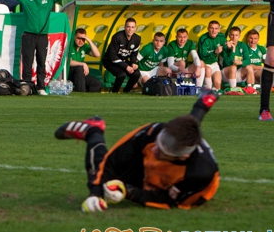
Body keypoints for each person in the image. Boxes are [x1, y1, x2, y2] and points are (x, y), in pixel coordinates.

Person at [54, 90, 220, 212]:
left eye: (162, 151)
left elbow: (169, 201)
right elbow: (111, 160)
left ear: (182, 156)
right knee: (105, 178)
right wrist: (95, 193)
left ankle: (203, 103)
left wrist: (130, 192)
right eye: (158, 142)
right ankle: (93, 132)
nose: (155, 149)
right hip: (153, 161)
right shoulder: (153, 132)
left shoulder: (199, 173)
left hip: (180, 185)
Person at [4, 0, 72, 94]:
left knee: (42, 61)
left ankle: (41, 87)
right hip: (28, 35)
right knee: (27, 61)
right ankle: (26, 87)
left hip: (42, 35)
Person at [103, 18, 142, 93]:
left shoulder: (137, 38)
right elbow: (112, 56)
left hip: (123, 61)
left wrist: (133, 63)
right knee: (121, 74)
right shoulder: (117, 37)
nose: (130, 29)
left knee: (136, 73)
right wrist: (126, 66)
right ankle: (114, 92)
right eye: (128, 27)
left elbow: (134, 54)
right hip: (109, 61)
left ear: (135, 28)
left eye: (132, 27)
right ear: (124, 27)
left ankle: (126, 92)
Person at [68, 28, 102, 93]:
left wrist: (89, 40)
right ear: (74, 37)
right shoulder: (69, 45)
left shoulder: (84, 47)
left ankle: (89, 100)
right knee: (79, 68)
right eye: (78, 38)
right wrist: (83, 64)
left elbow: (97, 54)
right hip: (69, 73)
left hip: (80, 74)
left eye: (83, 39)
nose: (81, 41)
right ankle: (81, 93)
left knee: (97, 84)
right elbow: (68, 62)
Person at [196, 20, 227, 90]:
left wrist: (229, 47)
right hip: (204, 64)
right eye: (211, 28)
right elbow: (202, 56)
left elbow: (225, 50)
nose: (214, 31)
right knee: (208, 70)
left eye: (216, 28)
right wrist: (215, 52)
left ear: (219, 29)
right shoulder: (203, 38)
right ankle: (208, 90)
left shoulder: (222, 37)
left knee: (218, 84)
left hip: (214, 63)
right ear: (208, 29)